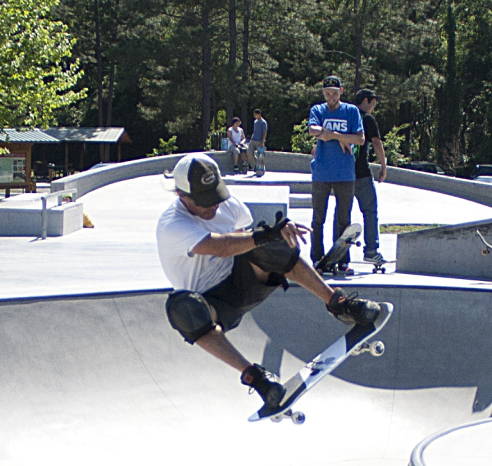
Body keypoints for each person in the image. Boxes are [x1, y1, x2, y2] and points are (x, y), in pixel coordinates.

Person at [157, 153, 382, 407]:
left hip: (244, 281)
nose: (213, 207)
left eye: (215, 197)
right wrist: (264, 236)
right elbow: (217, 246)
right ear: (181, 196)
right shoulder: (172, 224)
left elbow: (245, 242)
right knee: (182, 307)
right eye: (204, 202)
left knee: (274, 245)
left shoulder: (229, 205)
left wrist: (272, 236)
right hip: (212, 305)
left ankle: (338, 304)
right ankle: (256, 378)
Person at [308, 76, 365, 272]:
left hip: (345, 173)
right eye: (327, 93)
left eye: (334, 93)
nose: (331, 97)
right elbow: (313, 130)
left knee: (343, 219)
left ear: (341, 91)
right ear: (323, 93)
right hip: (321, 172)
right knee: (318, 217)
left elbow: (360, 139)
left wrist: (332, 136)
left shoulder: (351, 111)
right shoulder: (318, 110)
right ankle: (317, 257)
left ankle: (342, 259)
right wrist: (340, 138)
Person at [352, 88, 388, 266]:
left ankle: (339, 256)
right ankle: (371, 250)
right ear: (366, 100)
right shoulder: (367, 119)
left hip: (342, 174)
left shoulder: (346, 116)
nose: (374, 107)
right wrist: (383, 165)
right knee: (370, 211)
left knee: (341, 214)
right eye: (373, 103)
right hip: (361, 173)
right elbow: (376, 142)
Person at [248, 109, 268, 176]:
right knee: (249, 152)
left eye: (255, 115)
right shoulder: (255, 122)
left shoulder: (263, 122)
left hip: (259, 140)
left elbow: (264, 132)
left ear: (259, 114)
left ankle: (261, 168)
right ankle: (255, 165)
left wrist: (262, 141)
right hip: (253, 139)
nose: (254, 116)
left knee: (260, 155)